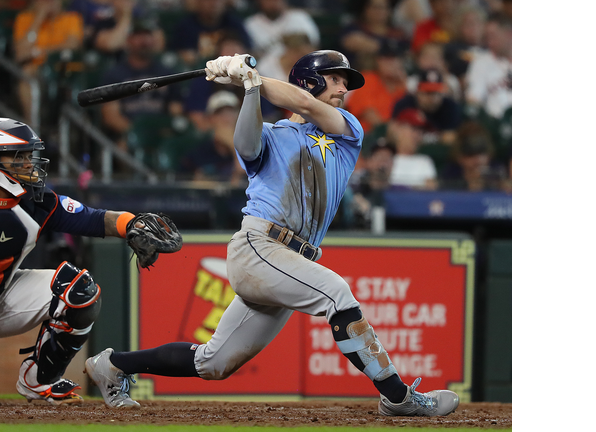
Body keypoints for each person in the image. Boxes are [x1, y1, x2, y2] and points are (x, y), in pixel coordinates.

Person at [83, 50, 460, 417]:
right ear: (309, 80)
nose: (344, 88)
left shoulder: (348, 130)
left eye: (346, 82)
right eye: (334, 79)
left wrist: (248, 75)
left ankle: (112, 364)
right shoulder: (272, 133)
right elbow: (246, 145)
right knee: (337, 293)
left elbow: (307, 105)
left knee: (214, 362)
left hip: (290, 259)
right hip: (258, 247)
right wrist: (248, 88)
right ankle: (398, 397)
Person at [0, 117, 180, 405]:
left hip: (1, 299)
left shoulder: (37, 200)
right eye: (18, 157)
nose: (29, 164)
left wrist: (131, 224)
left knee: (81, 292)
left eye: (29, 155)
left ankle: (39, 381)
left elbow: (93, 218)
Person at [98, 18, 184, 161]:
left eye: (148, 35)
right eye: (138, 36)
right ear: (129, 40)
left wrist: (158, 131)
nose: (144, 41)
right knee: (124, 146)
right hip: (128, 133)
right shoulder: (114, 74)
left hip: (161, 133)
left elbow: (175, 111)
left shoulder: (167, 73)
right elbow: (111, 117)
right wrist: (139, 132)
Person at [13, 0, 85, 122]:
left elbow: (74, 43)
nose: (49, 3)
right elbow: (21, 54)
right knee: (26, 74)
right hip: (38, 71)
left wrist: (40, 50)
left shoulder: (71, 18)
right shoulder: (24, 19)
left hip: (63, 70)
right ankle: (33, 126)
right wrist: (38, 19)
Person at [179, 90, 246, 184]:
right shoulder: (198, 154)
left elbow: (244, 172)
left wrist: (233, 145)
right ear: (210, 119)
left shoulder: (250, 150)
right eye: (220, 114)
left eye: (231, 113)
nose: (226, 119)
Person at [343, 39, 408, 133]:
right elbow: (370, 116)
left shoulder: (402, 86)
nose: (390, 63)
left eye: (394, 58)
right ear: (378, 61)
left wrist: (404, 85)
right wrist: (394, 132)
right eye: (385, 58)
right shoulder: (368, 79)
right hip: (365, 136)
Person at [170, 0, 252, 68]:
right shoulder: (186, 26)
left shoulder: (233, 23)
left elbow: (247, 50)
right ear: (199, 3)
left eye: (218, 1)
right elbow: (183, 55)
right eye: (209, 1)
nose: (214, 4)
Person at [392, 68, 462, 145]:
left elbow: (450, 138)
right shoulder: (404, 104)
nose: (432, 97)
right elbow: (392, 132)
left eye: (436, 92)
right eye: (428, 93)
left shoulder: (450, 107)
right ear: (418, 92)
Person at [337, 0, 409, 72]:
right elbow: (351, 42)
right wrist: (389, 47)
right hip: (362, 74)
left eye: (383, 7)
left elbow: (407, 52)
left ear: (389, 10)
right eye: (375, 7)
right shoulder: (354, 28)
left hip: (393, 76)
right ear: (365, 9)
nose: (379, 11)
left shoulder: (397, 33)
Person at [463, 12, 511, 120]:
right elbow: (473, 101)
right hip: (497, 126)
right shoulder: (480, 63)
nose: (489, 42)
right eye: (487, 37)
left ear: (509, 34)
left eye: (493, 36)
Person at [439, 120, 508, 191]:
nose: (476, 160)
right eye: (470, 155)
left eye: (481, 154)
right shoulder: (450, 173)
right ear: (460, 157)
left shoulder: (497, 170)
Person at [243, 0, 320, 59]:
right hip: (264, 73)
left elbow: (313, 47)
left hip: (299, 67)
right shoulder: (250, 24)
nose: (273, 2)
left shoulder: (300, 17)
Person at [387, 108, 438, 190]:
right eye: (414, 129)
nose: (417, 135)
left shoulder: (424, 161)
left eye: (421, 131)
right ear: (398, 128)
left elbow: (430, 193)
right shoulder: (385, 159)